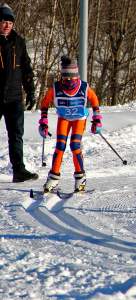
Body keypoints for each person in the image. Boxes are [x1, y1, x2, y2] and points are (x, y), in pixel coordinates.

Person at [39, 56, 102, 193]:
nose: (69, 80)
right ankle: (53, 178)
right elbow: (44, 103)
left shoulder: (84, 87)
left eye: (72, 77)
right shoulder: (56, 88)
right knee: (60, 146)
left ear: (77, 76)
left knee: (74, 145)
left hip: (79, 119)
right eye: (66, 77)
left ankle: (80, 177)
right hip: (64, 119)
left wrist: (97, 119)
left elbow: (94, 100)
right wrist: (43, 121)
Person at [0, 3, 38, 182]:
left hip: (14, 97)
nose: (7, 24)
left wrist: (30, 91)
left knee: (16, 135)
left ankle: (19, 170)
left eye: (9, 21)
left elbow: (26, 69)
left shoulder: (19, 42)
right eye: (3, 21)